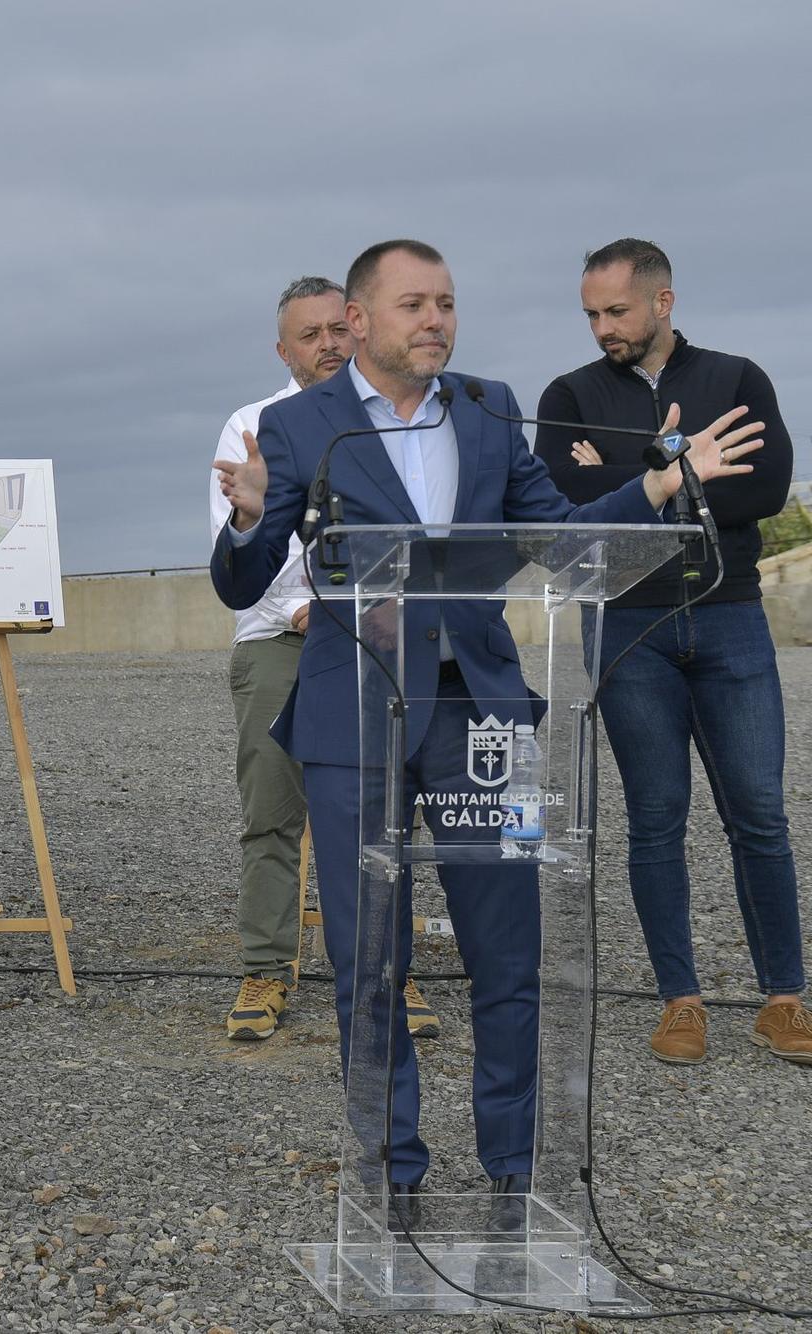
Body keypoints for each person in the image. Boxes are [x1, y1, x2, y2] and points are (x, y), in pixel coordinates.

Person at [210, 240, 760, 1228]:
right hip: (353, 715)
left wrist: (655, 489)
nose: (436, 320)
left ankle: (512, 1170)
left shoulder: (489, 409)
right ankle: (392, 1171)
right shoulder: (298, 426)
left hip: (483, 713)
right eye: (413, 304)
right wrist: (248, 520)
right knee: (368, 961)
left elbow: (559, 538)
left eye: (447, 303)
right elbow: (243, 583)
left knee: (507, 954)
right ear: (360, 320)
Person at [535, 238, 807, 1066]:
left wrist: (625, 472)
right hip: (627, 626)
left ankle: (784, 1001)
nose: (602, 328)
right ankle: (679, 1002)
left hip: (729, 616)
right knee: (655, 819)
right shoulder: (568, 395)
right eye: (591, 314)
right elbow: (562, 499)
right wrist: (681, 467)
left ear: (663, 302)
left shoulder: (737, 378)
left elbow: (765, 486)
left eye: (616, 311)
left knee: (759, 812)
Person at [211, 276, 441, 1042]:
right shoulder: (252, 426)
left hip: (376, 641)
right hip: (279, 639)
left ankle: (390, 967)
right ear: (283, 350)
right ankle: (266, 967)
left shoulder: (394, 422)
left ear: (359, 329)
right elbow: (247, 540)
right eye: (308, 336)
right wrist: (308, 606)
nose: (328, 346)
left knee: (384, 813)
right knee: (272, 813)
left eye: (337, 330)